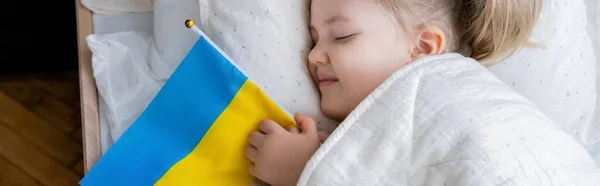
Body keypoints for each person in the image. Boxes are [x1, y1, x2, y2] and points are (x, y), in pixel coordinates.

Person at [243, 0, 583, 185]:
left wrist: (304, 169)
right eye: (314, 37)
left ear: (423, 47)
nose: (314, 55)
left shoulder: (465, 103)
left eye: (342, 36)